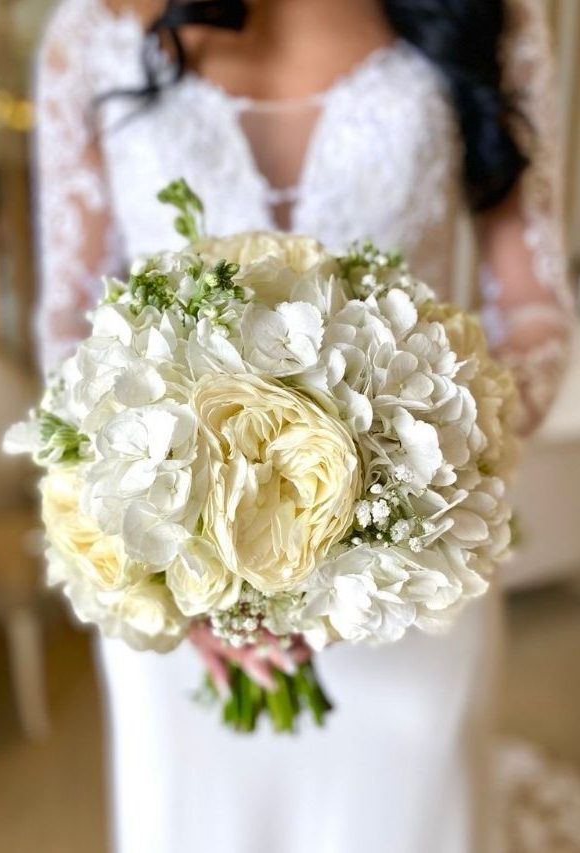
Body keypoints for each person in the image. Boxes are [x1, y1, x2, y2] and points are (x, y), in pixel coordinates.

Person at [34, 1, 572, 851]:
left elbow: (535, 309)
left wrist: (421, 475)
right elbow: (69, 324)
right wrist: (194, 573)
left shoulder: (491, 17)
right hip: (177, 582)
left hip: (411, 576)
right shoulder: (92, 32)